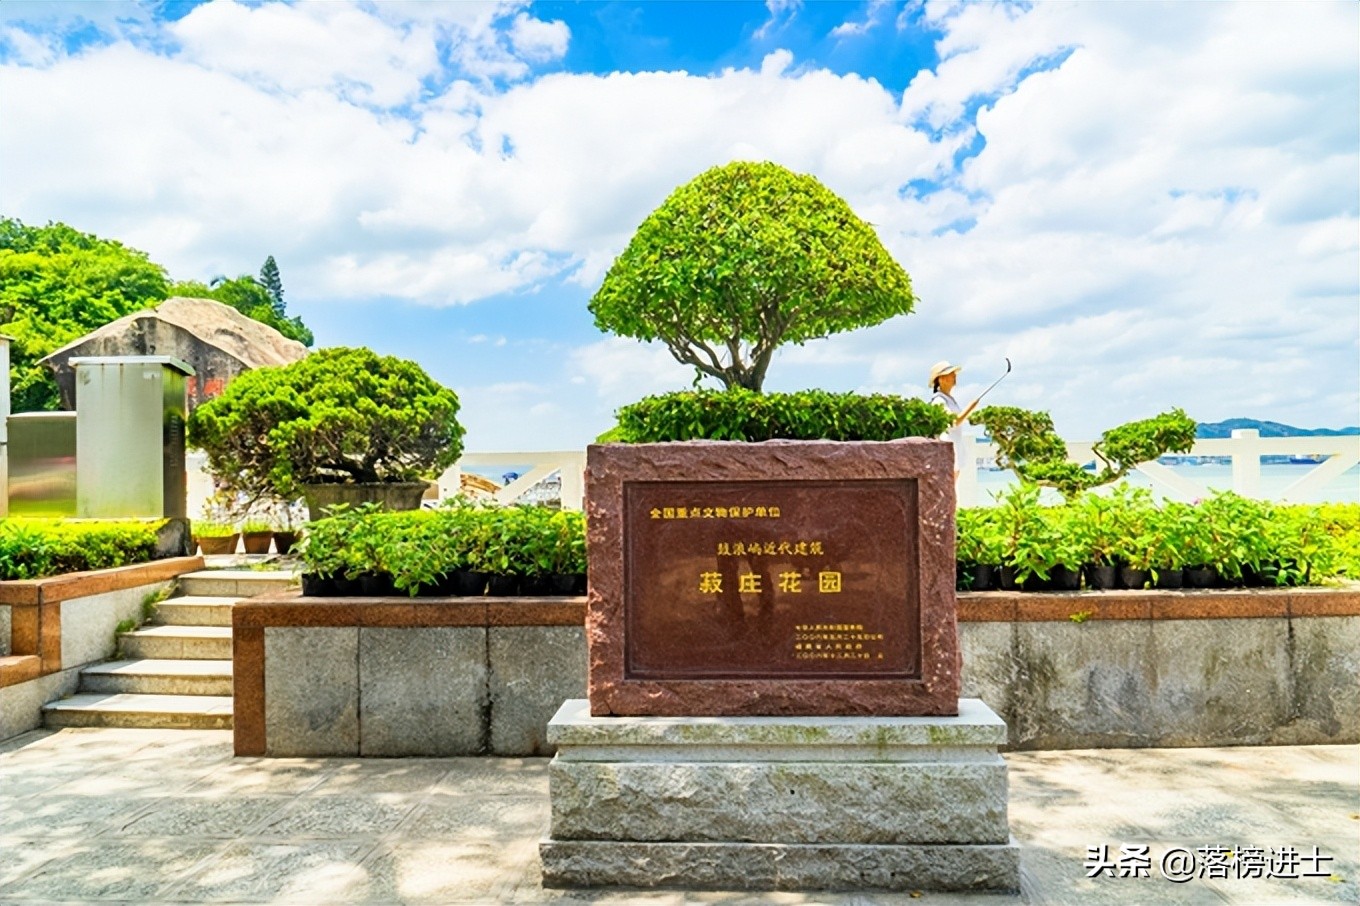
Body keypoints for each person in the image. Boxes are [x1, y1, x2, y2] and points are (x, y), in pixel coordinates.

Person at [929, 360, 981, 479]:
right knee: (948, 488)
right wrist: (970, 407)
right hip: (947, 448)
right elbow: (953, 422)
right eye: (950, 374)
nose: (954, 376)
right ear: (941, 379)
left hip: (954, 446)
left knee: (952, 487)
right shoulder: (939, 400)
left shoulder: (949, 399)